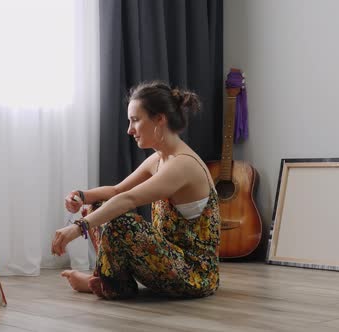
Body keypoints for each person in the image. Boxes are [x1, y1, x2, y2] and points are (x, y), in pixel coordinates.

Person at [51, 81, 221, 299]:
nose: (129, 130)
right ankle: (112, 283)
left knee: (120, 222)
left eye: (135, 120)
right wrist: (82, 196)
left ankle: (108, 283)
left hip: (195, 276)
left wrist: (77, 228)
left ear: (160, 119)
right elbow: (116, 191)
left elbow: (129, 199)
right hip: (169, 262)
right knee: (98, 206)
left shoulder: (183, 164)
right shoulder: (159, 159)